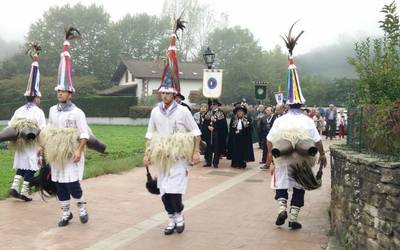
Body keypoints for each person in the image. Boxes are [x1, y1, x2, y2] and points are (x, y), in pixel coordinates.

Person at [143, 16, 201, 236]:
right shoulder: (155, 111)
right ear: (160, 93)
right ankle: (172, 218)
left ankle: (179, 215)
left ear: (174, 93)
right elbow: (151, 133)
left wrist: (195, 152)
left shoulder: (184, 111)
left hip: (179, 158)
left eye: (169, 92)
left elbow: (196, 132)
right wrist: (147, 153)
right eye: (163, 92)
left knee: (175, 194)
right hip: (162, 157)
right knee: (164, 192)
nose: (166, 95)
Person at [266, 26, 327, 230]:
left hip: (282, 156)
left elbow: (269, 140)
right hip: (301, 157)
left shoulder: (280, 119)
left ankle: (281, 208)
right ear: (301, 104)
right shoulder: (307, 120)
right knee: (300, 185)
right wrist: (323, 155)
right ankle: (292, 218)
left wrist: (270, 157)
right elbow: (317, 140)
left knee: (282, 183)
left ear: (288, 104)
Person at [46, 27, 90, 227]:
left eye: (63, 91)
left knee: (72, 184)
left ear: (70, 93)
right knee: (59, 184)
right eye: (58, 91)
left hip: (72, 152)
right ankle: (66, 213)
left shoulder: (78, 112)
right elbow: (49, 130)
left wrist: (79, 150)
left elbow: (84, 134)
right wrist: (41, 148)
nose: (60, 94)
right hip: (57, 154)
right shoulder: (52, 111)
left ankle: (81, 206)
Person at [8, 43, 46, 201]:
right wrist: (42, 146)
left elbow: (10, 126)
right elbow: (43, 129)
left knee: (22, 165)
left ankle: (14, 187)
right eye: (39, 97)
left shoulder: (19, 110)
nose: (40, 99)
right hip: (32, 145)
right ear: (35, 97)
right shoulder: (38, 111)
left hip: (20, 144)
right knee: (32, 166)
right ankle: (24, 191)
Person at [227, 104, 255, 168]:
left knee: (242, 151)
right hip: (235, 137)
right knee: (235, 150)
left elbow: (249, 129)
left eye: (241, 111)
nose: (240, 113)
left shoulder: (246, 119)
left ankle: (242, 163)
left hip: (243, 138)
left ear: (243, 113)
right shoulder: (233, 119)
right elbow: (231, 129)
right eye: (238, 112)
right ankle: (235, 163)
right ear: (236, 113)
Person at [202, 99, 227, 168]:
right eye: (212, 105)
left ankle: (215, 163)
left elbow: (223, 125)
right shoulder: (209, 112)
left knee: (216, 148)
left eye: (214, 105)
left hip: (217, 133)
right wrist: (208, 127)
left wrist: (215, 128)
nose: (212, 106)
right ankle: (208, 162)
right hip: (209, 133)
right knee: (208, 148)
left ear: (217, 105)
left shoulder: (221, 113)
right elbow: (205, 123)